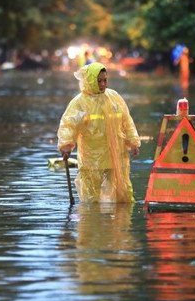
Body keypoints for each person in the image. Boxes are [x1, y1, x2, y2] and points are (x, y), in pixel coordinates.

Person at [57, 62, 141, 203]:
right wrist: (66, 145)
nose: (103, 84)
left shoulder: (114, 97)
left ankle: (121, 224)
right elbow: (69, 124)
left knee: (123, 197)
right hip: (92, 158)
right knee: (91, 199)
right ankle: (92, 223)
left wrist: (133, 142)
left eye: (105, 80)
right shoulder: (79, 102)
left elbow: (126, 121)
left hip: (116, 156)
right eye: (99, 81)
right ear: (90, 81)